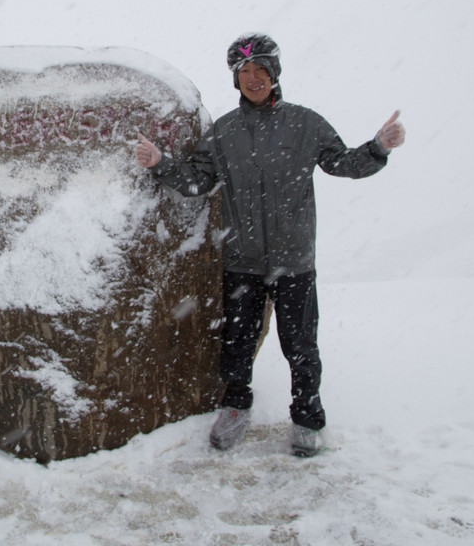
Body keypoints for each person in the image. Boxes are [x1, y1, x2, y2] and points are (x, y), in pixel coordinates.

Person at [134, 33, 405, 457]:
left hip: (294, 261)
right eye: (245, 72)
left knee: (299, 345)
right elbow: (198, 181)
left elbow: (341, 163)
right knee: (236, 342)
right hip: (242, 260)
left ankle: (307, 419)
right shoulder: (225, 130)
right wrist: (161, 164)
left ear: (274, 74)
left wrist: (378, 148)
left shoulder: (305, 123)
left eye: (261, 70)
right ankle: (236, 408)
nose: (253, 78)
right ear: (236, 80)